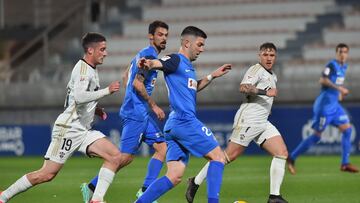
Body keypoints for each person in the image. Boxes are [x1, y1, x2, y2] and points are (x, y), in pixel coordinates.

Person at [0, 32, 121, 203]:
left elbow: (76, 98)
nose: (105, 53)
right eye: (102, 49)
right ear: (90, 50)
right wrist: (107, 91)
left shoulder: (90, 69)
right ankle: (3, 196)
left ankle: (97, 199)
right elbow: (79, 97)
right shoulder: (83, 69)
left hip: (83, 129)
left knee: (115, 156)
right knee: (47, 174)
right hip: (69, 128)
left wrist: (95, 109)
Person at [135, 26, 232, 203]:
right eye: (200, 44)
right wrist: (148, 63)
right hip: (184, 120)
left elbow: (193, 87)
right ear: (187, 43)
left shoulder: (186, 66)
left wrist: (212, 76)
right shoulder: (176, 60)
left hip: (173, 125)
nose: (202, 49)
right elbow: (159, 63)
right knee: (218, 157)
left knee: (174, 176)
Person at [186, 42, 288, 203]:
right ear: (259, 56)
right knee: (227, 157)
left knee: (281, 153)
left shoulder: (272, 75)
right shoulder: (256, 70)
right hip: (249, 119)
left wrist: (267, 107)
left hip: (262, 121)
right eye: (265, 55)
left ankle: (274, 196)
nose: (269, 58)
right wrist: (265, 92)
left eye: (272, 55)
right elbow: (244, 87)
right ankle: (195, 182)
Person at [80, 21, 169, 203]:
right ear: (151, 36)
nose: (164, 38)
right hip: (136, 113)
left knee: (162, 147)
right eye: (160, 35)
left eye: (166, 35)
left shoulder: (142, 54)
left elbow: (126, 75)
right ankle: (92, 188)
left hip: (139, 110)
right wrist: (153, 105)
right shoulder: (149, 55)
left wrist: (131, 97)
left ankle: (145, 191)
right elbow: (136, 83)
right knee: (124, 157)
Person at [287, 43, 358, 174]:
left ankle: (345, 163)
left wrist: (339, 94)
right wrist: (339, 89)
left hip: (335, 107)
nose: (343, 55)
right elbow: (323, 80)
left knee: (347, 130)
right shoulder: (331, 65)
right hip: (324, 107)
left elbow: (336, 83)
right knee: (316, 136)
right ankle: (291, 158)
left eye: (345, 52)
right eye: (340, 52)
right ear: (336, 53)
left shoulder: (344, 67)